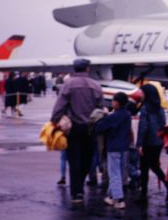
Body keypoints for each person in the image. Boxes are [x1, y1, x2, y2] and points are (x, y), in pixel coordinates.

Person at [50, 58, 104, 203]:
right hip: (91, 127)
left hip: (73, 127)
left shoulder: (68, 85)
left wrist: (54, 121)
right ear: (87, 68)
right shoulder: (95, 85)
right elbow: (101, 106)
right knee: (88, 159)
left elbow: (59, 106)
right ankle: (80, 183)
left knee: (74, 159)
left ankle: (77, 192)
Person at [136, 84, 168, 201]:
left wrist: (139, 144)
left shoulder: (145, 109)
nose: (141, 95)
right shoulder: (160, 108)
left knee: (148, 167)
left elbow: (143, 127)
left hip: (147, 142)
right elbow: (163, 124)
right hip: (158, 141)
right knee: (151, 165)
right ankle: (143, 193)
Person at [96, 92, 132, 209]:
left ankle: (119, 199)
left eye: (113, 100)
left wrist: (104, 116)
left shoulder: (113, 116)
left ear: (117, 103)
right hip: (124, 147)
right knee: (119, 172)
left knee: (114, 173)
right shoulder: (127, 115)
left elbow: (99, 128)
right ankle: (111, 196)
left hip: (113, 147)